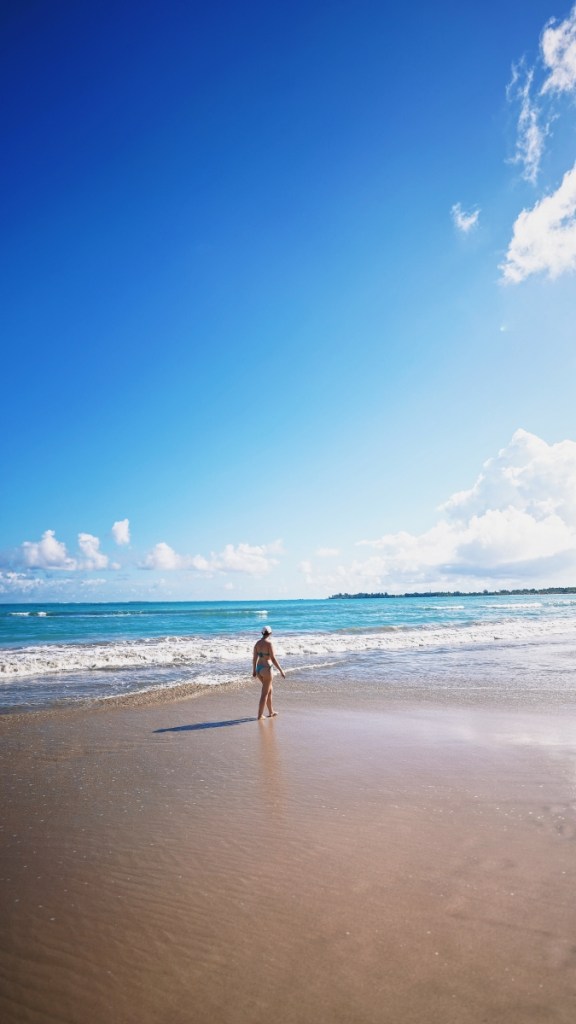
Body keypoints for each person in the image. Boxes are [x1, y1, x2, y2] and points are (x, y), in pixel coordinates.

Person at [253, 625, 285, 720]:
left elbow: (254, 658)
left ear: (262, 633)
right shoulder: (269, 644)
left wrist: (254, 670)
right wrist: (281, 670)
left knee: (269, 690)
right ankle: (259, 715)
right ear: (270, 633)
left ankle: (271, 712)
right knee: (264, 693)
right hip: (267, 669)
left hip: (259, 668)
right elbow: (273, 659)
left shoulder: (257, 643)